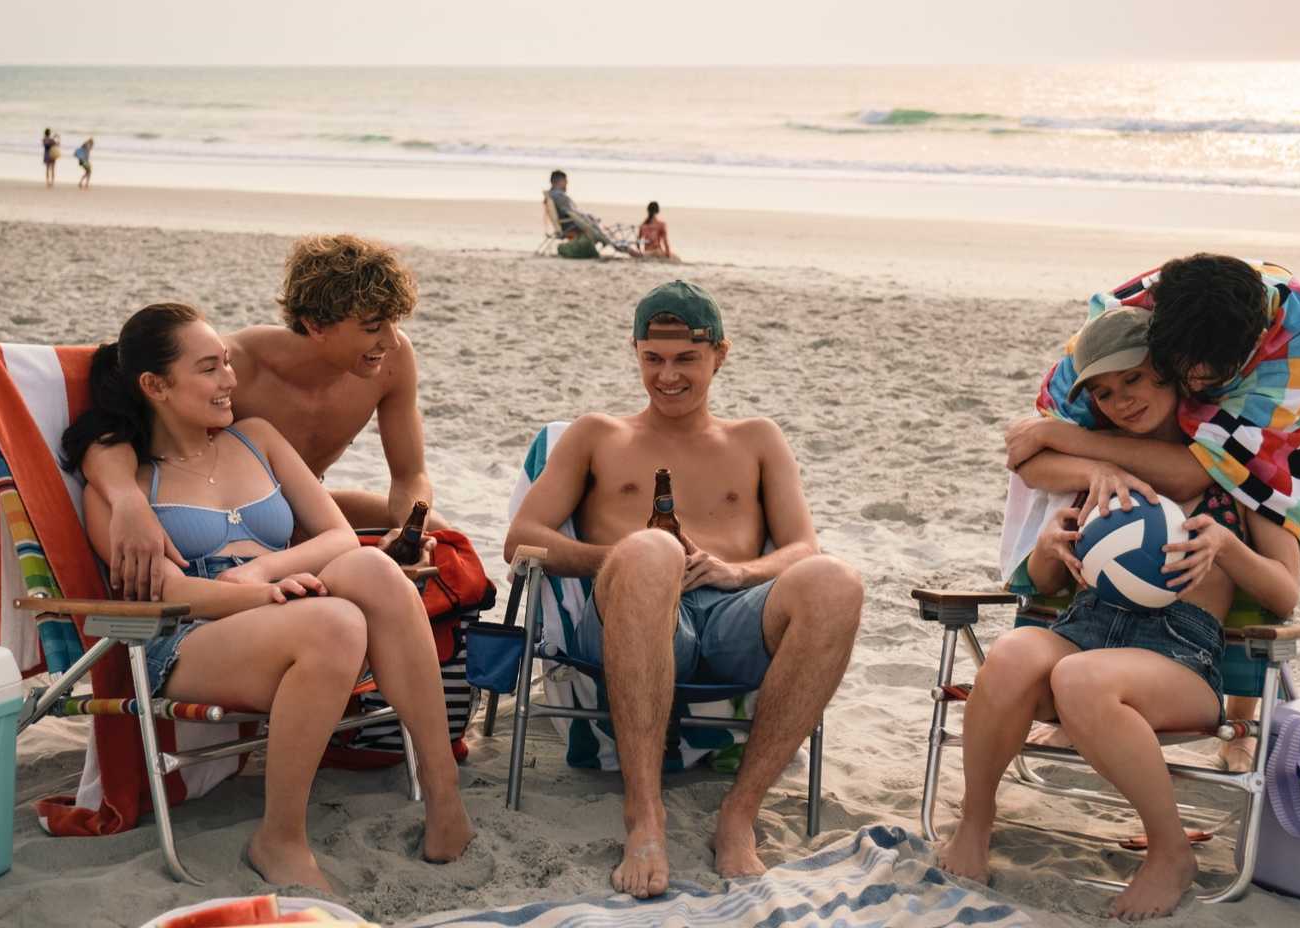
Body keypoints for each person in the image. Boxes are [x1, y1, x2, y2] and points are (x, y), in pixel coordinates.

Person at [60, 302, 474, 890]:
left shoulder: (254, 438)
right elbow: (170, 591)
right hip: (186, 637)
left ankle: (443, 792)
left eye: (227, 363)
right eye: (209, 368)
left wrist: (266, 575)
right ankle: (279, 837)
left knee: (374, 570)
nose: (230, 379)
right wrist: (262, 596)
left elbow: (333, 534)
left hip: (282, 601)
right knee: (334, 622)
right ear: (155, 385)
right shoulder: (127, 487)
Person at [940, 308, 1300, 920]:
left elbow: (1285, 593)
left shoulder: (1237, 464)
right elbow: (1046, 578)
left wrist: (1227, 547)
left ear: (1169, 375)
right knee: (1010, 655)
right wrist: (1052, 549)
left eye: (1132, 380)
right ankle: (977, 821)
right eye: (1104, 393)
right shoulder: (1101, 469)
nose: (1121, 400)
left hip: (1177, 653)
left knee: (1081, 679)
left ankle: (1169, 852)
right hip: (1085, 626)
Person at [505, 280, 863, 898]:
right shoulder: (597, 435)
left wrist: (739, 572)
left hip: (733, 614)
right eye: (653, 359)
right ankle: (645, 816)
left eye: (686, 360)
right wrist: (622, 557)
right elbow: (522, 540)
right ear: (636, 353)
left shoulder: (755, 439)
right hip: (629, 614)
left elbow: (805, 545)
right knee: (651, 548)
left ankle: (739, 813)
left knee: (837, 581)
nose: (667, 376)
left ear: (720, 355)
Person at [1002, 254, 1300, 770]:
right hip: (1106, 604)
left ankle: (1242, 721)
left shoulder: (1298, 340)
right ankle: (1092, 705)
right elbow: (1026, 456)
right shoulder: (1130, 317)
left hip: (1268, 408)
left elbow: (1201, 472)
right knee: (1131, 434)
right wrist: (1088, 466)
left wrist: (1064, 437)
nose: (1200, 386)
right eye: (1188, 371)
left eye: (1214, 375)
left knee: (1247, 494)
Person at [84, 235, 450, 602]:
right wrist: (126, 499)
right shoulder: (233, 366)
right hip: (235, 515)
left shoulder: (392, 363)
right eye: (373, 327)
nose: (393, 341)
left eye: (393, 322)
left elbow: (410, 476)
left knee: (441, 539)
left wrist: (408, 530)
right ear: (315, 326)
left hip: (305, 506)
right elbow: (109, 436)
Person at [547, 170, 641, 257]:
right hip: (574, 226)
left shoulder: (552, 195)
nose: (567, 184)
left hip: (572, 224)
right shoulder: (559, 196)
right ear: (559, 181)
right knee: (604, 234)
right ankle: (627, 249)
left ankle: (625, 247)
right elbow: (573, 214)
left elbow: (572, 213)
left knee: (604, 232)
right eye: (565, 181)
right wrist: (589, 224)